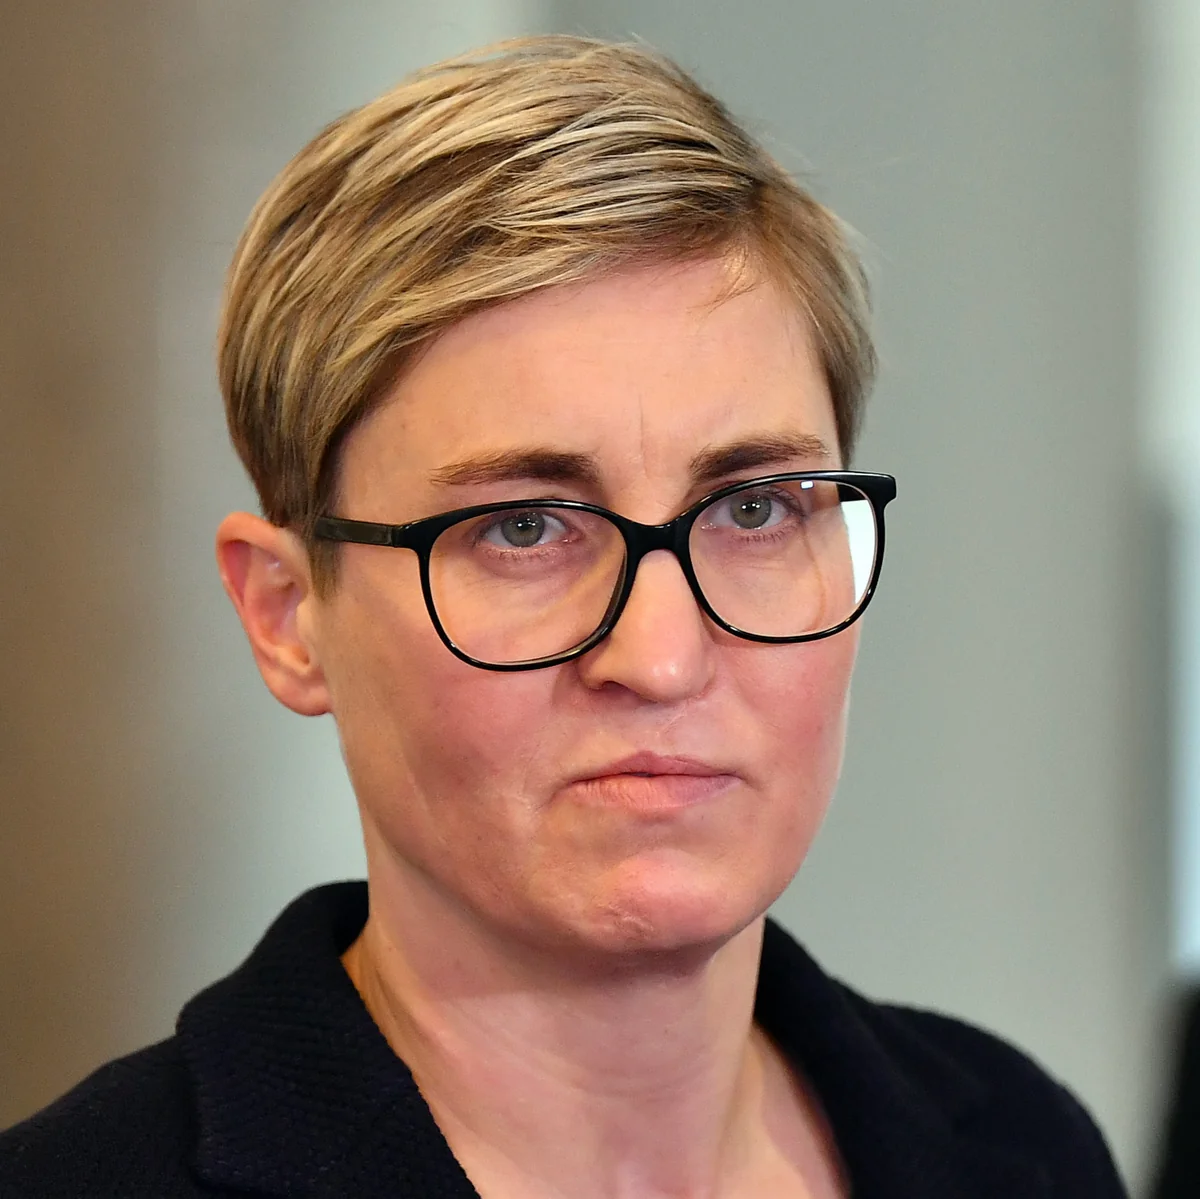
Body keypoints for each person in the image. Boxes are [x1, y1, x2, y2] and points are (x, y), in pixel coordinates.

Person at [0, 35, 1127, 1198]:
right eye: (524, 527)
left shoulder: (1024, 1150)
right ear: (288, 616)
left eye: (753, 508)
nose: (662, 656)